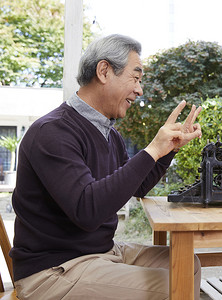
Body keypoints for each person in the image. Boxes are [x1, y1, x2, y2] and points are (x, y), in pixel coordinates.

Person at [10, 34, 203, 299]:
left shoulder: (110, 135)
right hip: (54, 270)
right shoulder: (51, 132)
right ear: (104, 71)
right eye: (135, 78)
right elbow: (87, 210)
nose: (139, 90)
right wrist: (152, 149)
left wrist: (169, 148)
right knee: (173, 284)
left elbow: (141, 185)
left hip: (101, 253)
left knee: (186, 265)